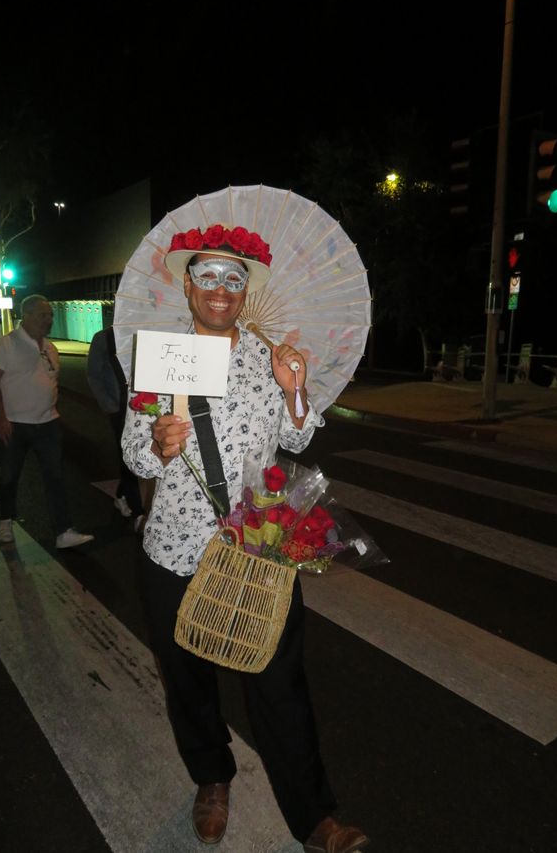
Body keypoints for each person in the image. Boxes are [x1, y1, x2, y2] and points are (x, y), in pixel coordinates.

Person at [122, 224, 369, 853]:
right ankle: (211, 777)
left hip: (258, 543)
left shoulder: (267, 354)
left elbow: (298, 438)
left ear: (246, 290)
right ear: (188, 285)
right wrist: (156, 442)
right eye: (207, 276)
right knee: (187, 676)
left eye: (234, 278)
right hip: (175, 547)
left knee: (279, 679)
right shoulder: (161, 357)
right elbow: (134, 453)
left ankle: (314, 815)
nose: (221, 288)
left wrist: (294, 390)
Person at [0, 293, 94, 549]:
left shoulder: (49, 347)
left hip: (47, 423)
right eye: (43, 315)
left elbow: (51, 381)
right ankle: (5, 520)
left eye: (50, 315)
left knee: (55, 476)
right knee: (10, 475)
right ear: (27, 315)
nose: (48, 319)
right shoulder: (6, 345)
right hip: (14, 423)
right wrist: (0, 418)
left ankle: (63, 530)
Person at [86, 325, 146, 531]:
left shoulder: (145, 332)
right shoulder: (104, 338)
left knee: (142, 454)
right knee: (127, 455)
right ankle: (138, 510)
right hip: (120, 407)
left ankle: (122, 493)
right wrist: (109, 405)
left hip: (145, 406)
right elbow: (94, 374)